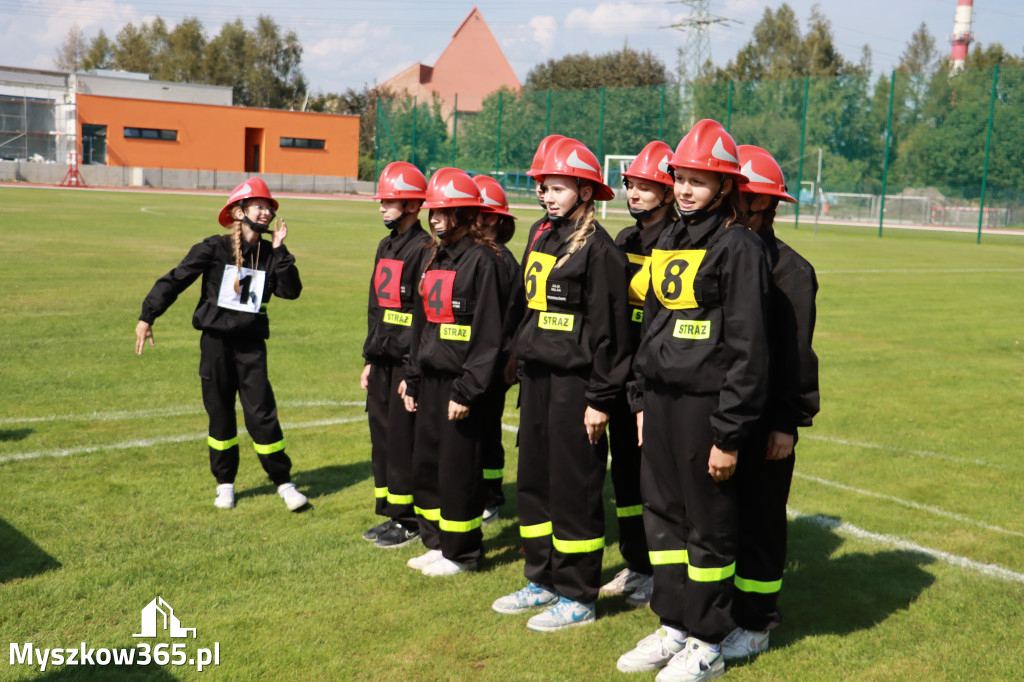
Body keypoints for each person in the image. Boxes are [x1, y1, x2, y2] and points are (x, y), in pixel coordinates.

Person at [617, 120, 768, 681]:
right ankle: (675, 623)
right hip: (658, 404)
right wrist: (638, 398)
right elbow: (653, 325)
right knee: (664, 518)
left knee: (706, 525)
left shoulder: (739, 247)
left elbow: (749, 348)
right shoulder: (669, 239)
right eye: (680, 178)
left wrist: (729, 433)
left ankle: (709, 637)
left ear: (725, 186)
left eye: (698, 181)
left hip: (706, 409)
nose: (683, 189)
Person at [491, 138, 631, 631]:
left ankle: (578, 596)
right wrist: (516, 354)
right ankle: (542, 579)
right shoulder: (538, 234)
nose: (548, 196)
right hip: (538, 379)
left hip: (578, 386)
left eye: (557, 188)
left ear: (586, 191)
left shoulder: (601, 250)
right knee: (534, 480)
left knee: (575, 487)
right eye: (544, 188)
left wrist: (600, 398)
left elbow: (612, 333)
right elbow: (528, 308)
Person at [135, 178, 307, 512]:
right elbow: (176, 278)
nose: (265, 210)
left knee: (262, 414)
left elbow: (291, 290)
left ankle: (284, 483)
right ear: (238, 211)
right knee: (220, 415)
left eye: (268, 205)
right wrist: (147, 315)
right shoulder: (213, 248)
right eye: (257, 205)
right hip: (215, 344)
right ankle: (225, 484)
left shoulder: (271, 254)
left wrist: (281, 250)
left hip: (252, 347)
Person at [720, 145, 819, 659]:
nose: (735, 204)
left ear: (769, 205)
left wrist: (786, 422)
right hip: (720, 418)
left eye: (746, 197)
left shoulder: (791, 272)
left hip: (764, 425)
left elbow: (795, 357)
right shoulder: (719, 255)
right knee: (718, 520)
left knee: (759, 521)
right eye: (733, 193)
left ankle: (756, 622)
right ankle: (715, 613)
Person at [401, 168, 504, 577]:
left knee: (458, 470)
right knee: (427, 465)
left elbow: (489, 335)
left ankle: (461, 553)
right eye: (433, 213)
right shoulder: (435, 255)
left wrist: (468, 390)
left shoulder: (484, 261)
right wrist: (413, 376)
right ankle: (436, 542)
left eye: (444, 212)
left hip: (461, 383)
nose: (435, 220)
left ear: (465, 213)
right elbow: (423, 323)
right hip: (431, 378)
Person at [601, 140, 677, 608]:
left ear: (668, 193)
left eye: (647, 186)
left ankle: (663, 570)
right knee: (625, 477)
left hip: (654, 382)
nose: (635, 192)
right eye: (632, 184)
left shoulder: (677, 244)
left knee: (657, 483)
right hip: (619, 376)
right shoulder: (624, 241)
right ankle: (636, 562)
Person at [361, 161, 434, 548]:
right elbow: (376, 306)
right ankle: (390, 512)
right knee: (382, 436)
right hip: (383, 358)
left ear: (411, 206)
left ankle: (409, 519)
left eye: (390, 201)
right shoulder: (385, 245)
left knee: (404, 439)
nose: (382, 207)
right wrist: (370, 359)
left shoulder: (424, 249)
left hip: (406, 361)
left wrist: (413, 368)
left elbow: (422, 316)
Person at [472, 174, 521, 524]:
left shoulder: (499, 260)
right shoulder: (477, 256)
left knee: (485, 431)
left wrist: (507, 359)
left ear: (491, 218)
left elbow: (508, 320)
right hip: (478, 359)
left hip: (491, 362)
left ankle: (490, 497)